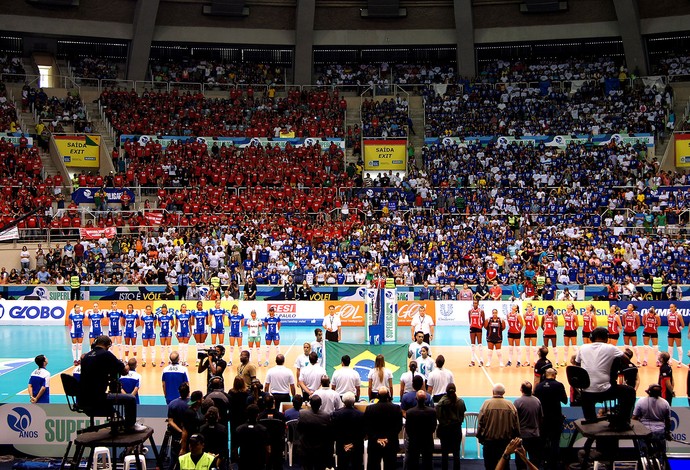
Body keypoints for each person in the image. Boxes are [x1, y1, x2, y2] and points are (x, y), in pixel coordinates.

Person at [77, 335, 145, 433]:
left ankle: (120, 421)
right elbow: (124, 371)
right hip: (97, 398)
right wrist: (125, 364)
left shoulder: (86, 356)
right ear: (108, 345)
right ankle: (130, 425)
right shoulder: (106, 354)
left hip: (83, 398)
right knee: (130, 399)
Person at [574, 327, 636, 428]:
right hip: (605, 391)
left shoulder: (583, 348)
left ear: (591, 337)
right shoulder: (611, 348)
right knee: (629, 391)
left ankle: (590, 418)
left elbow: (577, 367)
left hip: (585, 393)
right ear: (606, 338)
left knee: (587, 395)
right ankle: (623, 421)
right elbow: (626, 360)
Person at [477, 383, 520, 470]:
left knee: (489, 466)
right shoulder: (510, 405)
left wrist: (480, 438)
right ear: (504, 392)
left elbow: (480, 423)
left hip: (489, 443)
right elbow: (516, 425)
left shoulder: (486, 404)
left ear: (493, 392)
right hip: (505, 443)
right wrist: (515, 439)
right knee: (505, 466)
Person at [533, 368, 567, 470]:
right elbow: (565, 400)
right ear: (554, 375)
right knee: (555, 442)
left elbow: (535, 401)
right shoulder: (559, 385)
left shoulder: (538, 386)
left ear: (545, 375)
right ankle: (554, 465)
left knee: (542, 442)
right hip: (556, 419)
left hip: (542, 420)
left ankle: (541, 464)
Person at [363, 387, 403, 470]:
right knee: (390, 466)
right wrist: (387, 438)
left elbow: (367, 426)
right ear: (389, 395)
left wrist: (377, 438)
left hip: (374, 443)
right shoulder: (396, 408)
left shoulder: (370, 408)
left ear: (377, 396)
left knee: (373, 465)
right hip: (391, 443)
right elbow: (398, 426)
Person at [633, 384, 672, 455]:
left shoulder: (640, 401)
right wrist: (668, 433)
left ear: (649, 392)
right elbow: (668, 420)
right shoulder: (665, 403)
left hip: (644, 432)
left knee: (644, 454)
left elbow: (634, 418)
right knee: (661, 454)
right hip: (659, 432)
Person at [330, 391, 365, 470]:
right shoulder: (361, 414)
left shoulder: (336, 414)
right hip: (357, 445)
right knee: (357, 466)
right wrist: (352, 443)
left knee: (342, 466)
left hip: (341, 445)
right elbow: (363, 432)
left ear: (343, 401)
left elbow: (334, 431)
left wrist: (344, 443)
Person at [298, 395, 334, 470]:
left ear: (310, 403)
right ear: (321, 404)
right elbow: (329, 434)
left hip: (306, 448)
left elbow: (299, 429)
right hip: (320, 449)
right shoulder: (326, 416)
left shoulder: (302, 414)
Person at [436, 383, 466, 470]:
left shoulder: (440, 403)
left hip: (444, 430)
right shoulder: (460, 402)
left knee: (444, 454)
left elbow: (438, 417)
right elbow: (461, 416)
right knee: (456, 453)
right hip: (456, 430)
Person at [404, 390, 437, 470]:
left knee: (413, 464)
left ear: (416, 398)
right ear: (426, 399)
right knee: (428, 463)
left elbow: (407, 428)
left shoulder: (409, 412)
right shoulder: (432, 412)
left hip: (414, 442)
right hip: (427, 441)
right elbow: (433, 426)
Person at [513, 381, 543, 470]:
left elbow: (514, 419)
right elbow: (541, 417)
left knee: (520, 459)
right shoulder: (537, 401)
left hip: (522, 435)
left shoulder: (518, 402)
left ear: (521, 389)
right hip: (535, 435)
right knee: (534, 459)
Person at [235, 405, 270, 470]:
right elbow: (268, 450)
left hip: (244, 462)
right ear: (257, 415)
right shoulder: (263, 430)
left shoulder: (239, 429)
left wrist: (238, 461)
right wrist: (265, 462)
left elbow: (235, 448)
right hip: (259, 462)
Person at [191, 300, 209, 366]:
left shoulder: (205, 312)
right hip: (197, 329)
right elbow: (192, 322)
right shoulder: (194, 312)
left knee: (203, 344)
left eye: (201, 305)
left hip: (203, 329)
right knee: (198, 344)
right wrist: (193, 331)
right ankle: (198, 359)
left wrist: (207, 330)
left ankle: (203, 359)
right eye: (199, 305)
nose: (200, 306)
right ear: (197, 306)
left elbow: (207, 322)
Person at [468, 299, 486, 366]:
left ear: (478, 304)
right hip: (472, 328)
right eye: (474, 303)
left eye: (476, 303)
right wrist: (472, 325)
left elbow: (483, 320)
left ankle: (481, 360)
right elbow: (470, 320)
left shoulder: (481, 311)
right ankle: (472, 361)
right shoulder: (470, 311)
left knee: (480, 344)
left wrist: (480, 326)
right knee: (472, 345)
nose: (475, 304)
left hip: (478, 328)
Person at [562, 302, 579, 367]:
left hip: (572, 331)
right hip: (566, 331)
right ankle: (565, 361)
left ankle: (577, 361)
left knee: (574, 346)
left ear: (572, 307)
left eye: (570, 305)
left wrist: (573, 330)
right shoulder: (564, 313)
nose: (568, 305)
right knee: (566, 347)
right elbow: (566, 322)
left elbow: (577, 324)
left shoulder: (574, 314)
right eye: (568, 304)